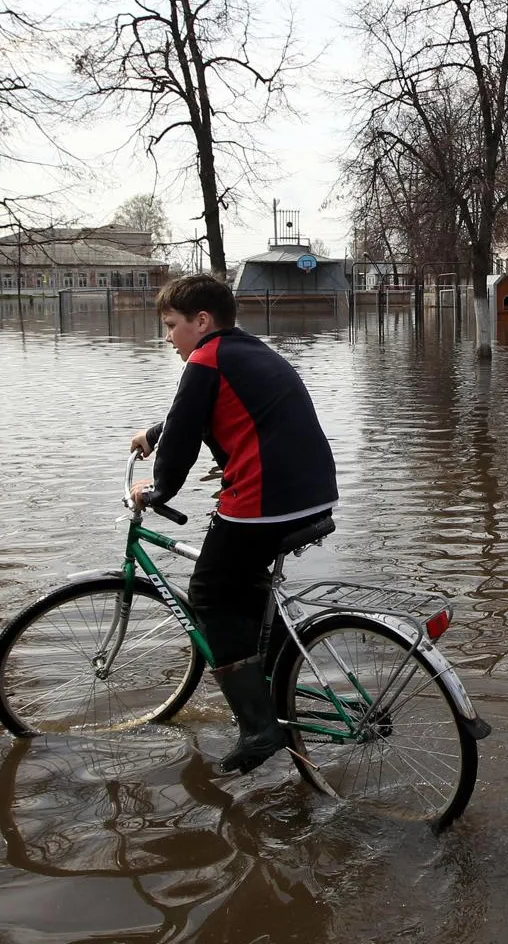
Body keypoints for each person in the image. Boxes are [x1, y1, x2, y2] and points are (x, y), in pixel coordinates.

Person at [127, 273, 338, 774]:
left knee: (209, 593)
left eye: (172, 325)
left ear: (201, 321)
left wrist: (158, 492)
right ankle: (281, 679)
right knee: (246, 587)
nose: (167, 337)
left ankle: (260, 728)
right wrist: (155, 432)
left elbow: (183, 436)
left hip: (268, 500)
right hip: (311, 493)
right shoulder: (245, 349)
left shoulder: (204, 358)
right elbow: (192, 414)